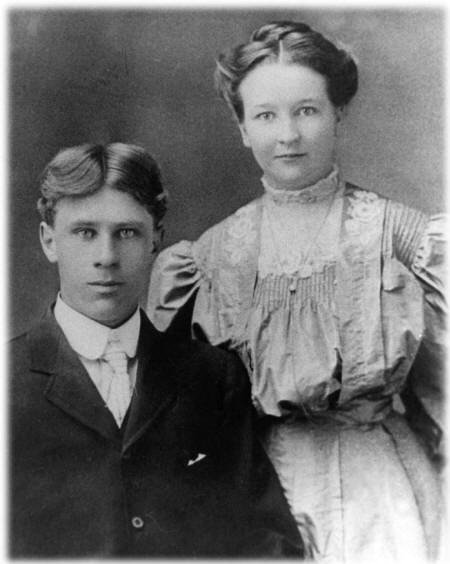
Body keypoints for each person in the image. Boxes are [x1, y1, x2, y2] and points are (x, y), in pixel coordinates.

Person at [148, 21, 446, 562]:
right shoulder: (209, 261)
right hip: (261, 501)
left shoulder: (402, 238)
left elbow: (443, 397)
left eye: (306, 110)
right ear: (242, 128)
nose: (287, 134)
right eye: (266, 115)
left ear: (338, 113)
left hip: (382, 494)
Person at [9, 142, 306, 558]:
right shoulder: (9, 380)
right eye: (85, 233)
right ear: (49, 241)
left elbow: (267, 543)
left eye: (127, 233)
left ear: (156, 241)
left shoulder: (211, 377)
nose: (107, 257)